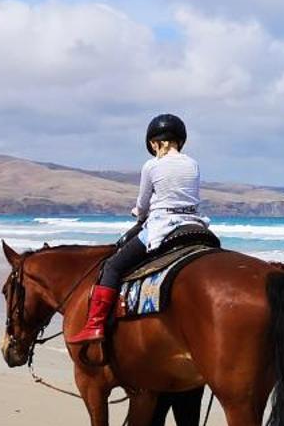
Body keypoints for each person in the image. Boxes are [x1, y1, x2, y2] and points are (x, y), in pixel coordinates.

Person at [69, 113, 205, 343]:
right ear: (179, 141)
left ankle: (95, 324)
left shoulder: (152, 166)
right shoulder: (193, 164)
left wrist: (139, 215)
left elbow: (143, 204)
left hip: (162, 227)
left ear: (155, 142)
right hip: (195, 226)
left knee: (112, 266)